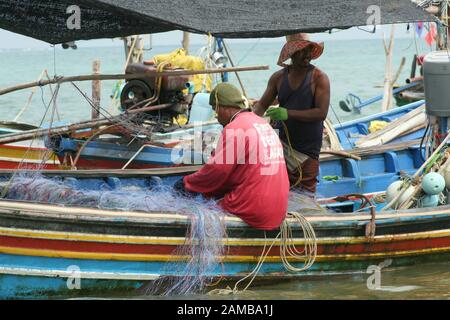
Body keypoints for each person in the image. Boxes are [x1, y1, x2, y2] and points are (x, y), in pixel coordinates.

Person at [175, 83, 289, 231]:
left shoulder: (235, 128)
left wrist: (187, 183)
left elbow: (217, 171)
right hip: (278, 212)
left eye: (215, 111)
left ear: (222, 107)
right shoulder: (261, 123)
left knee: (202, 205)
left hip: (253, 210)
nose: (216, 117)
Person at [253, 33, 330, 195]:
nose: (307, 56)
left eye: (309, 51)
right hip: (281, 148)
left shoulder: (319, 78)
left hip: (307, 151)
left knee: (305, 196)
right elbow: (261, 105)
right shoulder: (278, 77)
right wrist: (247, 122)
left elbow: (321, 112)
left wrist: (287, 113)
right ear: (291, 53)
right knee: (277, 192)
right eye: (302, 51)